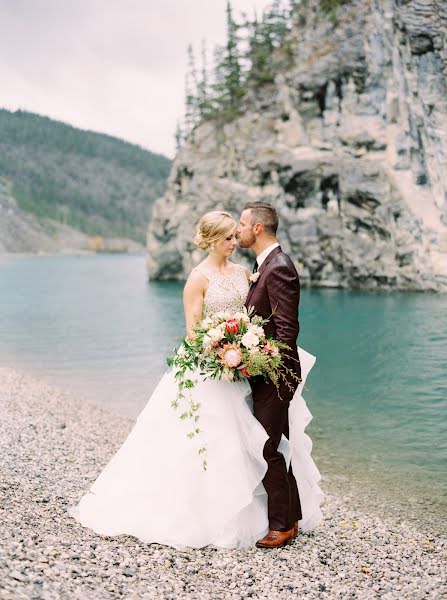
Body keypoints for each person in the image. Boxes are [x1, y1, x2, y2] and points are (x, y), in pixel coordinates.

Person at [68, 210, 323, 549]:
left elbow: (254, 318)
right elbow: (193, 333)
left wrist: (245, 352)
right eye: (230, 237)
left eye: (238, 234)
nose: (235, 242)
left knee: (258, 441)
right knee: (217, 442)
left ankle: (279, 517)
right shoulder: (197, 279)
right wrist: (220, 350)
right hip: (212, 368)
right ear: (213, 240)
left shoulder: (246, 272)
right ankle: (218, 515)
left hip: (246, 370)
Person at [238, 201, 305, 548]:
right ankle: (290, 519)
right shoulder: (262, 265)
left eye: (242, 223)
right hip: (265, 374)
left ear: (258, 228)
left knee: (266, 447)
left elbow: (286, 331)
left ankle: (280, 524)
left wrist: (259, 362)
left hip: (276, 376)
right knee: (279, 444)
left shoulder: (279, 267)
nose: (238, 229)